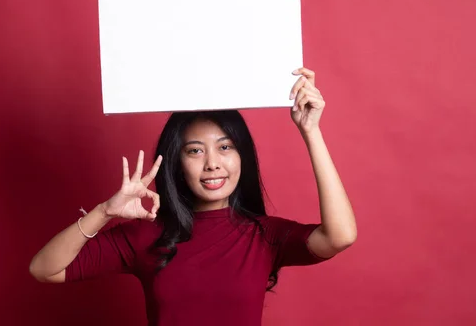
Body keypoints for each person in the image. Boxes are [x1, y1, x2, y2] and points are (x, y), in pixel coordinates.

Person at [29, 67, 357, 326]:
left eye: (225, 147)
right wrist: (103, 212)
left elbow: (340, 236)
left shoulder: (264, 235)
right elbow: (45, 269)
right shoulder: (145, 236)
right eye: (195, 150)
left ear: (242, 155)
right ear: (177, 161)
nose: (213, 163)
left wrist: (310, 131)